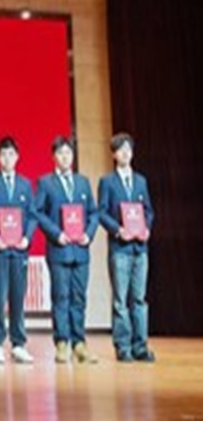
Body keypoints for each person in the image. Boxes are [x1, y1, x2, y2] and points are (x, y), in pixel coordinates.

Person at [35, 136, 99, 364]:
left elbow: (93, 213)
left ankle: (79, 343)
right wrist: (56, 234)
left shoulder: (83, 182)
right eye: (61, 153)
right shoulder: (45, 183)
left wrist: (88, 234)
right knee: (61, 296)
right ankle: (62, 342)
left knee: (79, 297)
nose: (65, 157)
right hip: (59, 249)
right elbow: (38, 212)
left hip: (80, 249)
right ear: (54, 156)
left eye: (68, 153)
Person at [0, 137, 38, 364]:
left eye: (11, 154)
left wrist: (26, 238)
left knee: (18, 297)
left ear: (17, 157)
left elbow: (32, 215)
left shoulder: (25, 185)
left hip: (19, 251)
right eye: (3, 154)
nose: (7, 158)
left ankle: (18, 344)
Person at [98, 132, 156, 363]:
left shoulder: (141, 181)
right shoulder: (107, 182)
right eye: (121, 149)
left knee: (139, 299)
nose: (125, 153)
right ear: (114, 154)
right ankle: (123, 346)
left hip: (140, 248)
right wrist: (117, 230)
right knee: (120, 300)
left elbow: (148, 210)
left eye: (128, 149)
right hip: (120, 248)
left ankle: (140, 345)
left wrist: (147, 228)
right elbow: (101, 213)